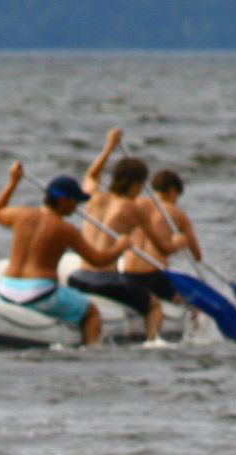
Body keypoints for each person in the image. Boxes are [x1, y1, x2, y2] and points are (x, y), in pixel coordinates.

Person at [0, 164, 133, 347]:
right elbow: (98, 260)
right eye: (75, 201)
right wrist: (121, 246)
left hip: (5, 290)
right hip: (39, 294)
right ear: (64, 201)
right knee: (92, 313)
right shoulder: (65, 229)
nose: (76, 207)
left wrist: (13, 182)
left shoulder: (21, 214)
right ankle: (90, 354)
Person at [72, 127, 187, 343]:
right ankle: (152, 342)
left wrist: (109, 147)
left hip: (79, 277)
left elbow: (91, 175)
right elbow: (163, 248)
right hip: (105, 280)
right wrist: (179, 242)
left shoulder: (92, 197)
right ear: (135, 185)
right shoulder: (133, 209)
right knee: (154, 306)